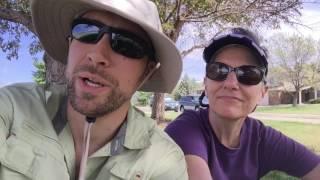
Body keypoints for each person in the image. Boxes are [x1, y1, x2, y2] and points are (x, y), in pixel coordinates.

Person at [0, 0, 188, 179]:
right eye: (86, 31)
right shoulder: (13, 108)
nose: (97, 55)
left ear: (147, 72)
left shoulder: (163, 161)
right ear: (69, 44)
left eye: (126, 44)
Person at [165, 27, 320, 180]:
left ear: (262, 92)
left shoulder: (261, 138)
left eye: (248, 74)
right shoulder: (185, 129)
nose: (231, 83)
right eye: (219, 70)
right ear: (206, 84)